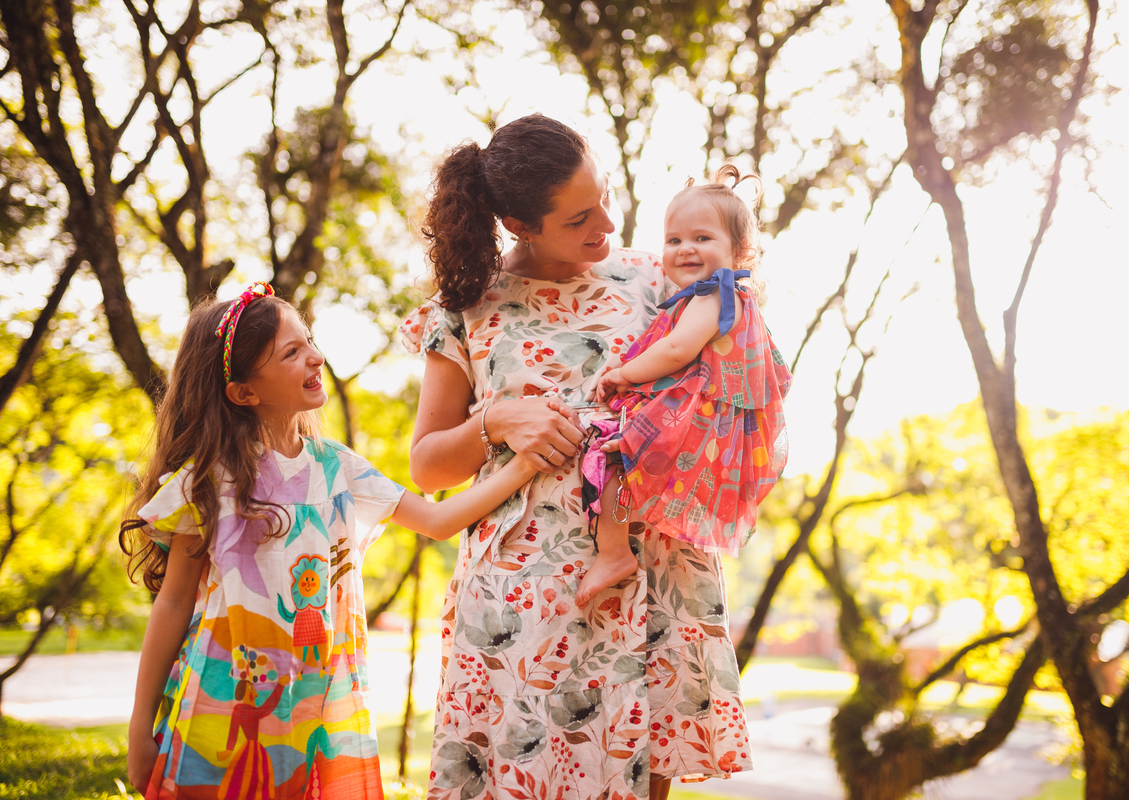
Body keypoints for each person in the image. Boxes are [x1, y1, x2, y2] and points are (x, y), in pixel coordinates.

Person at [401, 114, 753, 800]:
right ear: (520, 224)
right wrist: (495, 420)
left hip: (648, 581)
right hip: (522, 602)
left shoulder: (659, 279)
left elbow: (728, 378)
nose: (609, 227)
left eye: (607, 200)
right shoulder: (466, 308)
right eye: (581, 219)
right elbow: (427, 468)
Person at [120, 282, 541, 800]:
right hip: (225, 705)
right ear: (243, 392)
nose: (315, 356)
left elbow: (439, 520)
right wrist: (141, 728)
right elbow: (174, 602)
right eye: (291, 353)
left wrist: (525, 463)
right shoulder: (211, 480)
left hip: (320, 704)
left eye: (310, 340)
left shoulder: (336, 467)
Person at [575, 165, 791, 607]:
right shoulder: (712, 295)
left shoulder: (714, 294)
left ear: (740, 250)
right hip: (695, 414)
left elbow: (677, 351)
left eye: (702, 238)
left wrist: (621, 374)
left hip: (692, 417)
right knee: (617, 452)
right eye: (674, 240)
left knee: (610, 450)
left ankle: (613, 553)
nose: (684, 249)